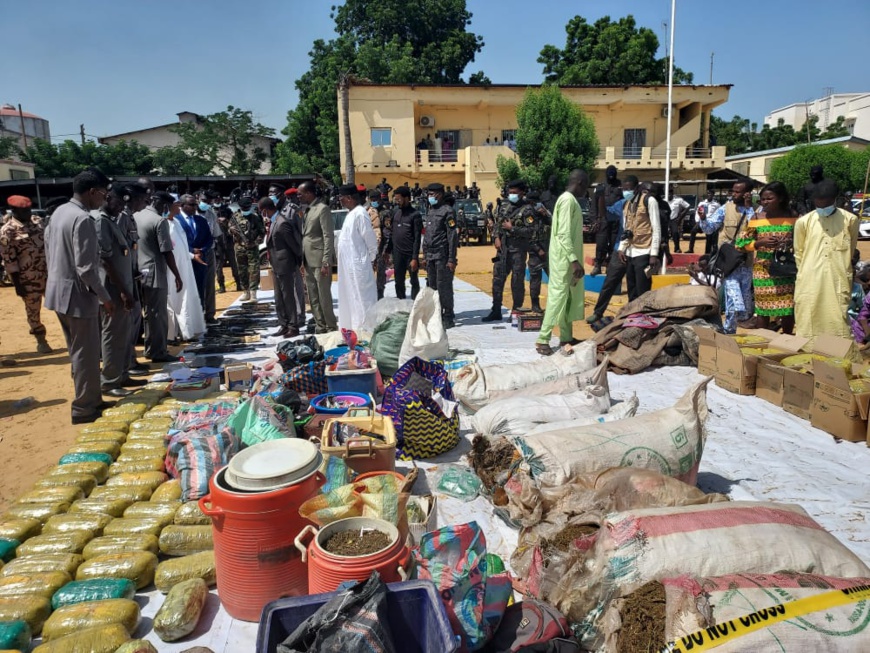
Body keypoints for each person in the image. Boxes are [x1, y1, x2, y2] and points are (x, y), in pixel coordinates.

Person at [44, 168, 115, 423]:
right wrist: (105, 297)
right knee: (86, 353)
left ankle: (92, 398)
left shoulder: (60, 212)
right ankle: (84, 408)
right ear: (93, 192)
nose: (105, 199)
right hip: (78, 295)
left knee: (77, 352)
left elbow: (49, 253)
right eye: (104, 194)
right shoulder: (83, 219)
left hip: (58, 293)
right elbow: (86, 267)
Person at [93, 185, 145, 397]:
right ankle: (110, 380)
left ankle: (122, 373)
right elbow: (105, 260)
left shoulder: (112, 220)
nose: (121, 207)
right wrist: (123, 291)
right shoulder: (101, 222)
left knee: (123, 334)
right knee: (112, 335)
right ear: (108, 197)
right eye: (118, 203)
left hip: (123, 286)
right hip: (113, 289)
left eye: (124, 204)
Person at [794, 179, 859, 345]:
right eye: (818, 204)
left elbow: (850, 250)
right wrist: (806, 273)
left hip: (838, 278)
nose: (822, 208)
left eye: (826, 204)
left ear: (835, 200)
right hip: (809, 279)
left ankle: (839, 357)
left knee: (838, 319)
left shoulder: (850, 220)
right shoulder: (803, 222)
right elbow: (799, 253)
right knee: (808, 317)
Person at [536, 170, 588, 356]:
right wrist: (574, 261)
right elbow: (563, 234)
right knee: (558, 297)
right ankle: (543, 339)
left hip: (566, 257)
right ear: (580, 182)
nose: (587, 189)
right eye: (587, 185)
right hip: (564, 259)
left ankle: (566, 337)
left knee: (567, 297)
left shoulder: (568, 200)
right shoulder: (567, 201)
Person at [736, 181, 798, 334]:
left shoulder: (794, 216)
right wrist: (759, 243)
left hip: (787, 270)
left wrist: (791, 242)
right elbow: (740, 244)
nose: (765, 202)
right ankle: (763, 340)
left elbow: (804, 239)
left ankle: (787, 339)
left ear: (781, 198)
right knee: (763, 308)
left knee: (788, 308)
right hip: (763, 270)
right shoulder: (757, 217)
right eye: (763, 199)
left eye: (769, 199)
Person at [698, 181, 755, 334]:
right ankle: (736, 322)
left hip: (746, 261)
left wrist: (749, 207)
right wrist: (703, 218)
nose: (734, 194)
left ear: (748, 193)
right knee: (733, 295)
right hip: (729, 262)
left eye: (738, 192)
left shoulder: (756, 210)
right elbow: (709, 229)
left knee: (742, 297)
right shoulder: (725, 208)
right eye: (733, 191)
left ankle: (730, 329)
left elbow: (756, 227)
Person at [0, 195, 52, 353]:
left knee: (62, 307)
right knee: (33, 311)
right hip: (27, 279)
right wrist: (17, 285)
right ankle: (41, 339)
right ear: (14, 210)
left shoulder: (37, 222)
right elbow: (9, 260)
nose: (28, 213)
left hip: (49, 275)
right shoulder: (7, 231)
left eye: (29, 209)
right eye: (24, 211)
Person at [135, 191, 183, 363]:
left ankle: (149, 347)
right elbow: (167, 251)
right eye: (166, 206)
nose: (167, 210)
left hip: (137, 271)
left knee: (147, 313)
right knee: (158, 314)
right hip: (154, 271)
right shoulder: (158, 221)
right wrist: (177, 275)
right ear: (161, 204)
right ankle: (158, 351)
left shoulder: (136, 216)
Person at [483, 180, 541, 321]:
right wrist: (496, 237)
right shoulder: (504, 206)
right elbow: (497, 223)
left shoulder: (528, 210)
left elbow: (531, 231)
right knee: (497, 280)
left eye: (515, 193)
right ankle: (496, 309)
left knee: (516, 282)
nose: (512, 195)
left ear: (522, 193)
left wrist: (512, 228)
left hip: (518, 251)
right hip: (503, 250)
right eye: (510, 192)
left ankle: (516, 311)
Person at [336, 184, 378, 331]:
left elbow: (370, 241)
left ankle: (365, 330)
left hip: (359, 265)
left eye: (341, 198)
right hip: (350, 267)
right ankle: (354, 329)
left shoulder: (360, 213)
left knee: (363, 299)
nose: (339, 200)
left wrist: (369, 259)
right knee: (352, 297)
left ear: (349, 198)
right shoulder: (351, 214)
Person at [298, 181, 338, 333]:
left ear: (309, 193)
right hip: (308, 260)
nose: (298, 197)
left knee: (324, 296)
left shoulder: (323, 209)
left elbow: (328, 236)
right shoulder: (308, 210)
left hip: (320, 259)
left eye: (300, 194)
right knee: (313, 296)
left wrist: (326, 261)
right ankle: (320, 325)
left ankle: (331, 326)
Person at [165, 198, 206, 342]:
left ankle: (187, 331)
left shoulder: (175, 223)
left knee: (187, 299)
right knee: (174, 301)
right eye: (176, 206)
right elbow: (168, 250)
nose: (178, 208)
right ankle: (172, 334)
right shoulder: (165, 225)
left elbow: (181, 247)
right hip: (172, 269)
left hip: (185, 266)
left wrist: (192, 256)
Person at [262, 196, 303, 337]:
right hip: (276, 265)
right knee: (279, 298)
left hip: (285, 265)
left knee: (288, 297)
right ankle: (283, 324)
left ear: (266, 210)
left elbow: (294, 246)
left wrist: (298, 262)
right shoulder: (273, 222)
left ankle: (293, 326)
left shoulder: (282, 223)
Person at [617, 177, 661, 301]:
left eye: (629, 189)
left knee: (643, 290)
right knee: (632, 290)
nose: (626, 192)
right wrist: (621, 248)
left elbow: (656, 228)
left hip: (644, 251)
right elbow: (627, 229)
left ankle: (644, 318)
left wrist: (654, 254)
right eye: (624, 189)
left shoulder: (649, 201)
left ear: (637, 188)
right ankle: (633, 317)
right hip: (630, 252)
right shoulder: (626, 204)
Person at [422, 183, 459, 328]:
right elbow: (428, 235)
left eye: (433, 194)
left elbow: (452, 236)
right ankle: (436, 314)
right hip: (430, 255)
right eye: (429, 193)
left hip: (442, 255)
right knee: (432, 287)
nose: (430, 196)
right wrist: (424, 256)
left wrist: (451, 258)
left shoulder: (447, 211)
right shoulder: (431, 210)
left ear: (440, 194)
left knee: (444, 287)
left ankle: (448, 315)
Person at [177, 195, 214, 305]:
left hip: (200, 261)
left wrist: (202, 250)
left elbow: (209, 238)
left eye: (196, 205)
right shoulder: (175, 220)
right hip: (184, 260)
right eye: (192, 205)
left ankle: (201, 315)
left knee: (200, 289)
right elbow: (176, 241)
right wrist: (192, 250)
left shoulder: (201, 220)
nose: (195, 207)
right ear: (182, 205)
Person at [228, 196, 265, 303]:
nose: (246, 209)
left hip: (252, 247)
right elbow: (229, 230)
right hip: (239, 247)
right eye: (244, 208)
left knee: (254, 270)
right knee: (242, 270)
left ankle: (253, 293)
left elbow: (262, 232)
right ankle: (246, 292)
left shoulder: (256, 217)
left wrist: (255, 242)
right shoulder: (235, 217)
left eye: (248, 207)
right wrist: (232, 230)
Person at [390, 186, 423, 300]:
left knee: (414, 281)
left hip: (410, 254)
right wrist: (388, 252)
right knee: (398, 281)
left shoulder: (415, 215)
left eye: (399, 199)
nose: (397, 202)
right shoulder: (395, 213)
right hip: (397, 253)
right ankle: (401, 304)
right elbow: (391, 233)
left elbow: (417, 238)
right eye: (395, 199)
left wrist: (415, 258)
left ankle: (415, 305)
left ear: (407, 198)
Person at [590, 166, 623, 276]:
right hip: (603, 220)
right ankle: (598, 266)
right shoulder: (600, 187)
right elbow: (594, 205)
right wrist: (594, 219)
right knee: (601, 244)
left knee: (614, 244)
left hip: (616, 220)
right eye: (609, 175)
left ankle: (610, 266)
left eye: (613, 175)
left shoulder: (621, 186)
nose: (611, 177)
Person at [196, 191, 221, 325]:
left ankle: (210, 314)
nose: (206, 203)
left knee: (210, 284)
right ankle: (198, 315)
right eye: (204, 200)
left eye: (209, 201)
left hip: (209, 251)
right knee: (196, 284)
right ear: (198, 198)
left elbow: (216, 234)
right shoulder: (191, 215)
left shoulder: (211, 214)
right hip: (194, 253)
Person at [366, 189, 388, 299]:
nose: (374, 201)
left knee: (380, 276)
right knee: (368, 275)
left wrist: (386, 250)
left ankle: (380, 296)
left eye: (376, 199)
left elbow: (388, 233)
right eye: (372, 199)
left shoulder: (385, 212)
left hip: (381, 248)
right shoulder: (367, 212)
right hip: (370, 248)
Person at [689, 189, 720, 254]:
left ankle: (707, 253)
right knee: (693, 231)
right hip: (701, 222)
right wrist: (697, 221)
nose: (709, 195)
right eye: (708, 193)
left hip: (709, 223)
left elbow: (718, 214)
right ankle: (690, 249)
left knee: (709, 238)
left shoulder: (716, 205)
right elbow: (698, 212)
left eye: (711, 194)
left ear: (713, 195)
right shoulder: (702, 203)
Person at [849, 265, 870, 345]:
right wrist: (867, 338)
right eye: (867, 280)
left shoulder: (857, 288)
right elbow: (863, 315)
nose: (868, 283)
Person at [667, 187, 690, 254]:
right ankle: (666, 250)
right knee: (665, 235)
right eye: (667, 194)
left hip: (674, 219)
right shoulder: (664, 200)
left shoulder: (678, 200)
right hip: (666, 220)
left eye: (670, 194)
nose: (668, 195)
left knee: (675, 233)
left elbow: (688, 206)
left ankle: (677, 248)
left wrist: (681, 216)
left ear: (672, 194)